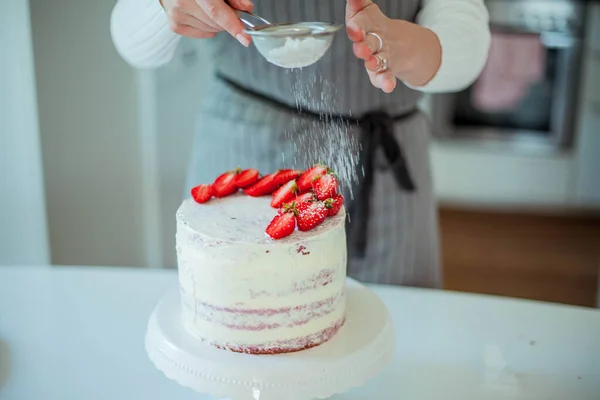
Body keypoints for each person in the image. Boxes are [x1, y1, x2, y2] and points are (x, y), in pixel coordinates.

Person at [111, 0, 490, 288]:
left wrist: (402, 46)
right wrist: (162, 6)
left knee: (395, 351)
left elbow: (465, 37)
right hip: (245, 156)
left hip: (385, 172)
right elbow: (131, 37)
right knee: (241, 353)